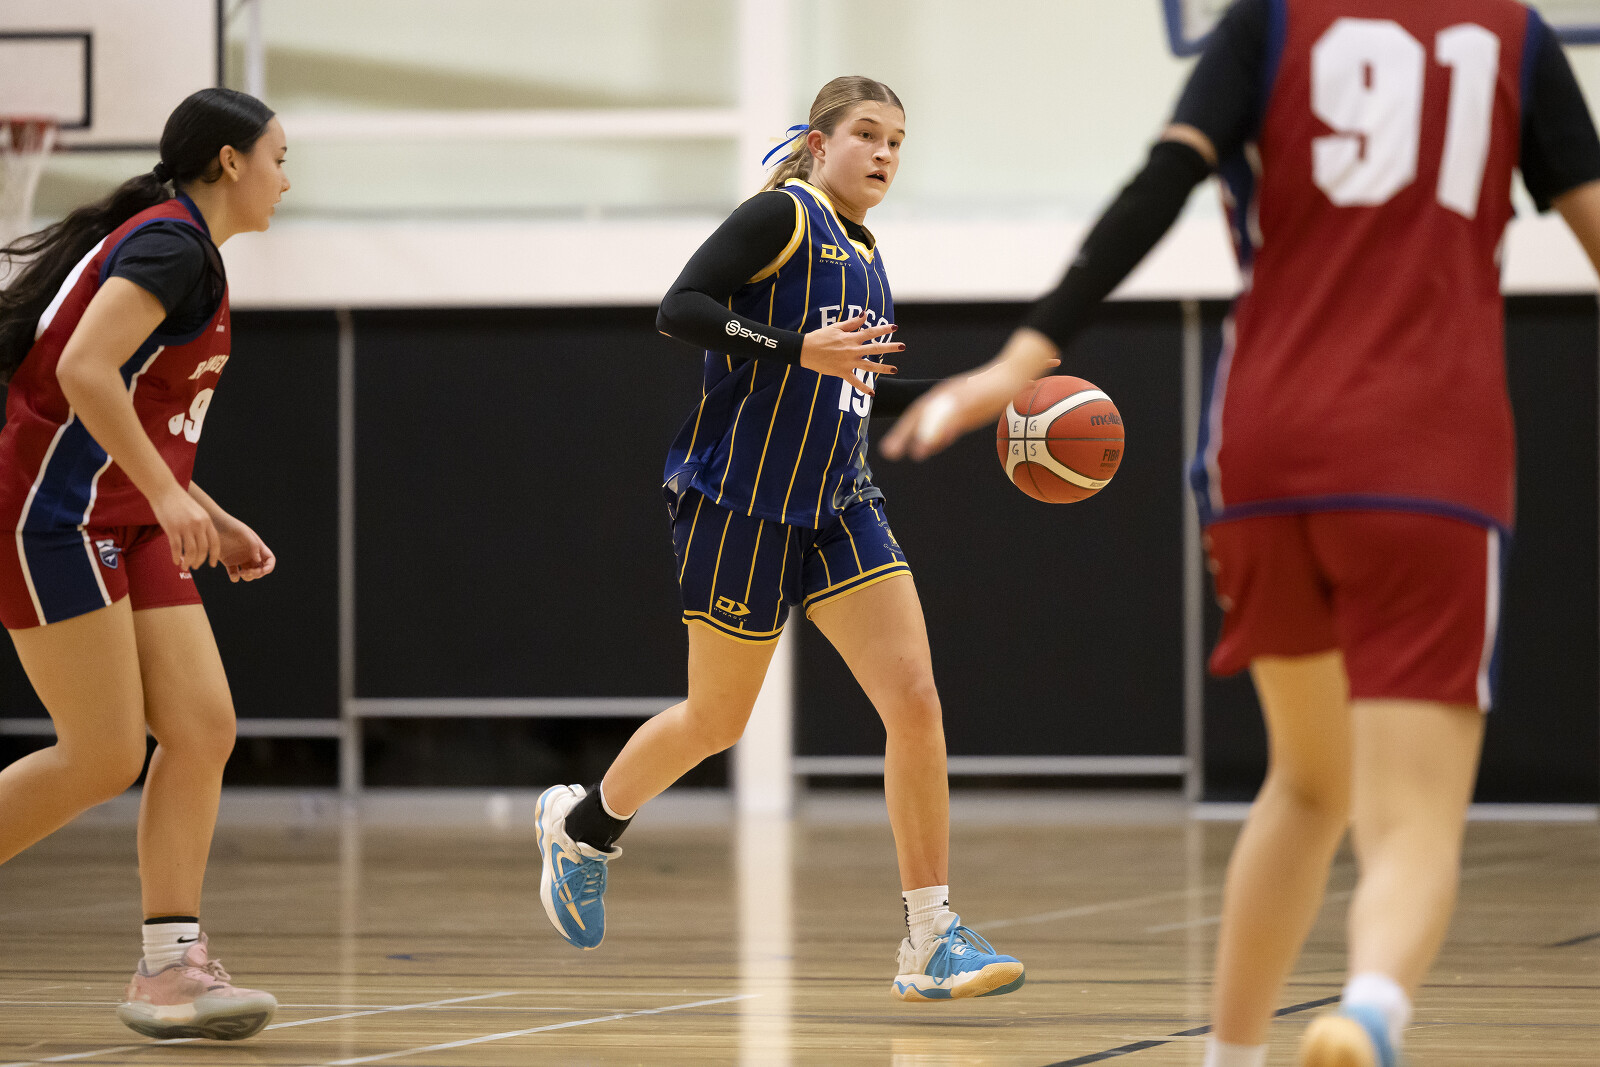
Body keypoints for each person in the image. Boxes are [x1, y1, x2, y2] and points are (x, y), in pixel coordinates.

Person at [881, 0, 1600, 1062]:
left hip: (1265, 452)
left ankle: (1231, 1053)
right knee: (1410, 816)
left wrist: (1017, 360)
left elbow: (1157, 186)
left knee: (1306, 782)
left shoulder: (1268, 21)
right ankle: (1369, 1008)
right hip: (1429, 461)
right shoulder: (1514, 36)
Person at [533, 75, 1025, 1002]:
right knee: (716, 722)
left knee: (915, 701)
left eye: (897, 141)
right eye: (868, 134)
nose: (884, 153)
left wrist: (972, 398)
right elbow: (680, 307)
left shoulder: (869, 253)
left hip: (839, 500)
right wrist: (796, 347)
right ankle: (584, 829)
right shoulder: (785, 217)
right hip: (742, 500)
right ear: (821, 141)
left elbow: (853, 387)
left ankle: (931, 934)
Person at [0, 87, 291, 1041]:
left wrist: (206, 509)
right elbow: (83, 370)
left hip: (125, 514)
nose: (286, 180)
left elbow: (143, 415)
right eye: (278, 158)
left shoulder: (187, 249)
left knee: (202, 727)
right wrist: (171, 499)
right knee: (103, 754)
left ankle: (171, 969)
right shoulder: (170, 246)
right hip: (55, 514)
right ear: (229, 162)